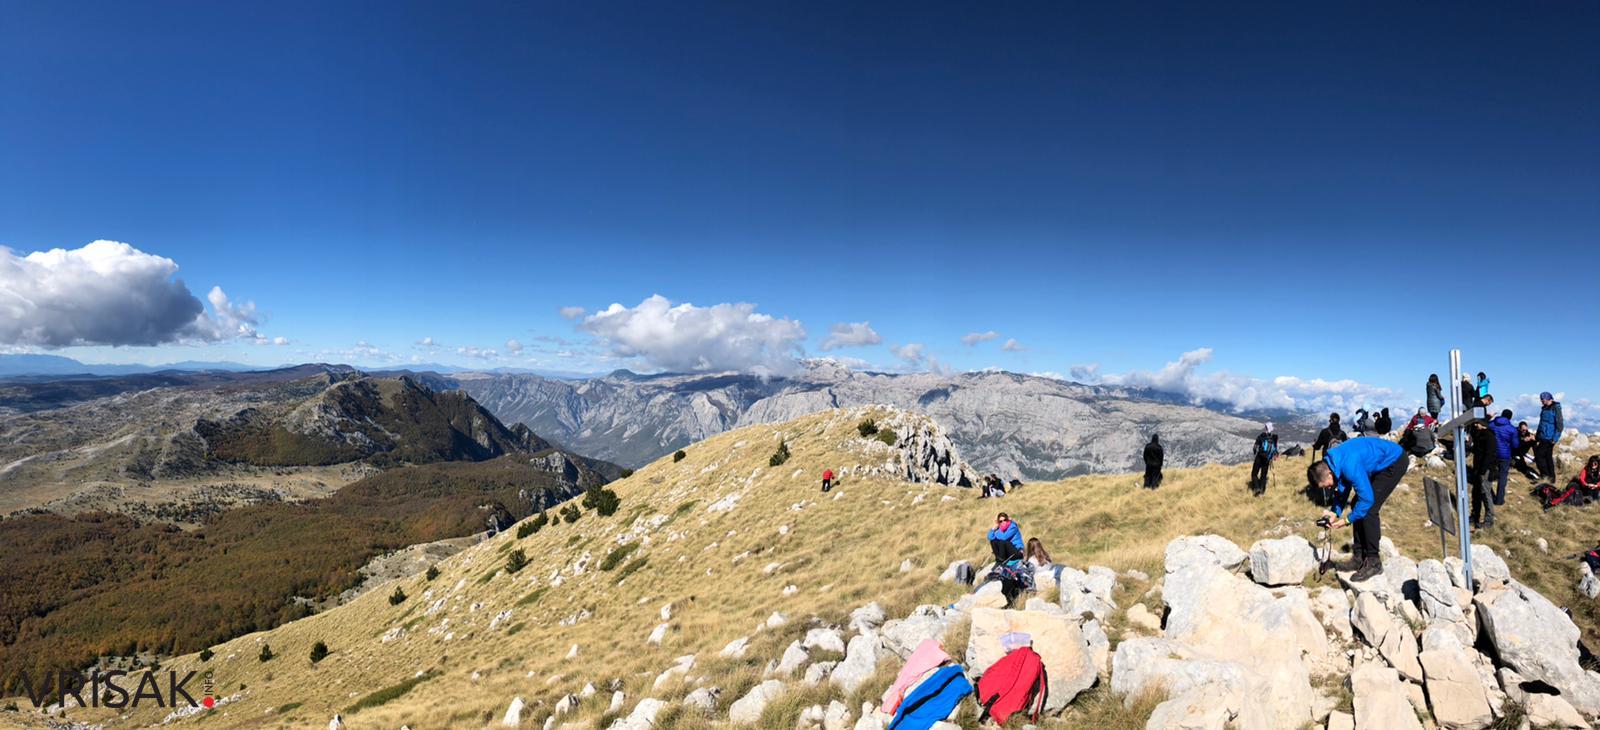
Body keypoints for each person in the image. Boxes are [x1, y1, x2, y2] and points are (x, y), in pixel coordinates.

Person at [1310, 437, 1410, 582]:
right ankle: (1359, 557)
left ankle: (1374, 561)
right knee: (1357, 503)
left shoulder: (1349, 465)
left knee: (1369, 508)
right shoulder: (1333, 462)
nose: (1328, 488)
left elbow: (1367, 500)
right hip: (1379, 461)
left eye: (1326, 485)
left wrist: (1347, 520)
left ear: (1329, 474)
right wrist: (1334, 513)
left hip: (1394, 461)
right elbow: (1343, 487)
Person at [1468, 421, 1498, 529]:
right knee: (1476, 492)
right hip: (1478, 468)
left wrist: (1483, 470)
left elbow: (1490, 455)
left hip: (1485, 470)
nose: (1475, 425)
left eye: (1477, 423)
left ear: (1483, 424)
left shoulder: (1489, 436)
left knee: (1485, 492)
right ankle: (1475, 515)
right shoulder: (1480, 435)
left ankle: (1489, 519)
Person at [1489, 409, 1519, 506]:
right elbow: (1515, 445)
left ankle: (1486, 495)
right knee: (1502, 477)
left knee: (1488, 474)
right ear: (1510, 417)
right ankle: (1499, 500)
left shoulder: (1492, 424)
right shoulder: (1512, 429)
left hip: (1492, 453)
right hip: (1504, 455)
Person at [1536, 392, 1564, 481]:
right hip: (1543, 436)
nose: (1541, 401)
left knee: (1539, 456)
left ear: (1549, 399)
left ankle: (1545, 476)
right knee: (1548, 457)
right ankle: (1551, 478)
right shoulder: (1544, 408)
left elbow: (1560, 426)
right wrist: (1537, 435)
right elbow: (1541, 423)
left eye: (1543, 400)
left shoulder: (1556, 409)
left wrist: (1554, 439)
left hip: (1549, 438)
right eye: (1541, 400)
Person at [1249, 422, 1278, 496]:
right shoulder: (1274, 438)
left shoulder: (1261, 436)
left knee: (1254, 474)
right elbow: (1275, 450)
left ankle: (1257, 488)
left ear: (1266, 427)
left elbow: (1255, 448)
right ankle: (1262, 491)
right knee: (1264, 475)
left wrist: (1255, 453)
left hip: (1259, 457)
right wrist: (1274, 456)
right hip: (1267, 459)